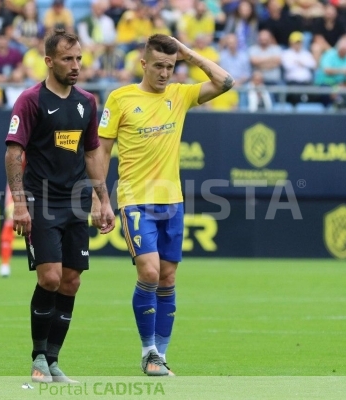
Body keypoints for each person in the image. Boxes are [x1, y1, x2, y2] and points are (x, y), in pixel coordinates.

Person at [97, 34, 234, 376]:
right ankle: (148, 351)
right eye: (158, 65)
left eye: (170, 67)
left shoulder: (180, 93)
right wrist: (101, 198)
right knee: (149, 272)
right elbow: (101, 151)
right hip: (135, 200)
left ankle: (160, 356)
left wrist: (189, 54)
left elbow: (226, 82)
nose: (164, 73)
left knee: (168, 278)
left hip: (172, 201)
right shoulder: (120, 98)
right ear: (143, 63)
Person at [4, 29, 115, 383]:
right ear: (49, 61)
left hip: (77, 201)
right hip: (41, 201)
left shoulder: (86, 101)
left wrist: (103, 200)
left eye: (79, 58)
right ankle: (37, 357)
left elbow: (93, 152)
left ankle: (53, 360)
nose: (76, 65)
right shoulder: (31, 100)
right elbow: (13, 152)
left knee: (71, 282)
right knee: (49, 277)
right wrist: (19, 204)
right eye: (68, 59)